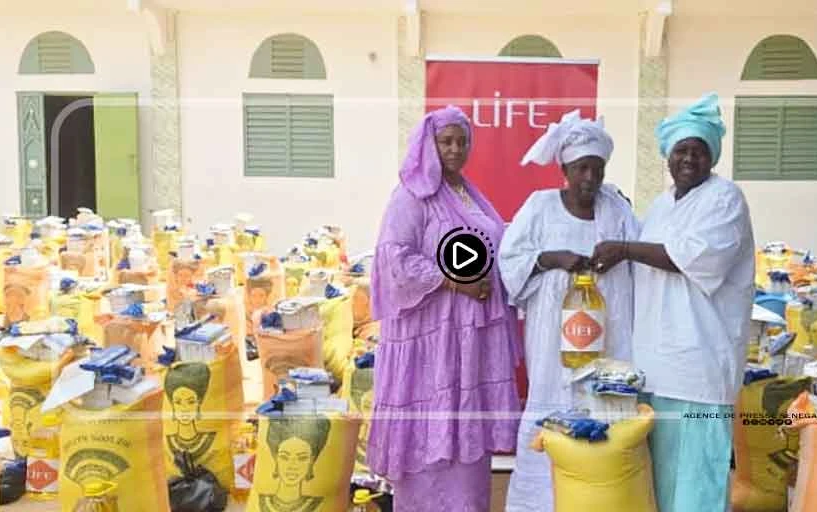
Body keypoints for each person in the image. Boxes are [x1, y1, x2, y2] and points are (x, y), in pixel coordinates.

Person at [589, 92, 755, 512]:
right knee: (660, 485)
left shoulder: (724, 199)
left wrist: (625, 247)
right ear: (667, 155)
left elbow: (691, 259)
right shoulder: (660, 207)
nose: (688, 159)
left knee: (698, 484)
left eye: (698, 151)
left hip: (700, 370)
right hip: (656, 371)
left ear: (712, 157)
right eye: (681, 150)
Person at [368, 105, 522, 512]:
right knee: (430, 432)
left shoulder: (469, 194)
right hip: (431, 346)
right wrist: (455, 281)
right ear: (428, 144)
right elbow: (394, 259)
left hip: (469, 345)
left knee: (466, 444)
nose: (455, 149)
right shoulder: (411, 195)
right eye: (446, 140)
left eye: (462, 141)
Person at [498, 109, 638, 512]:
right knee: (551, 413)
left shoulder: (617, 210)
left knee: (606, 415)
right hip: (552, 346)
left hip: (609, 340)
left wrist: (618, 254)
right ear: (565, 168)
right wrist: (550, 259)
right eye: (581, 169)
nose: (590, 179)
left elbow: (639, 259)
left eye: (597, 169)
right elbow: (511, 260)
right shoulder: (540, 207)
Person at [259, 417, 331, 512]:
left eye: (302, 458)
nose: (292, 466)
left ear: (311, 462)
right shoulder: (261, 501)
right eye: (284, 457)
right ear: (276, 459)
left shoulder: (319, 503)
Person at [165, 363, 217, 461]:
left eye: (191, 402)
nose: (184, 409)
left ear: (199, 403)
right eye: (178, 402)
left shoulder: (210, 438)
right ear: (172, 405)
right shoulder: (168, 440)